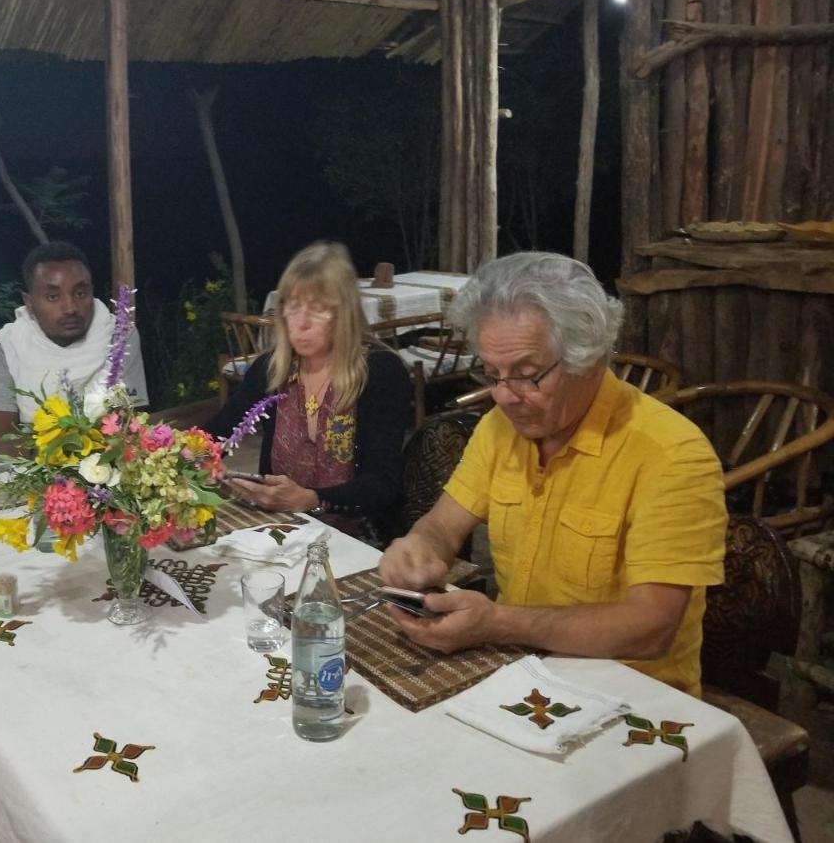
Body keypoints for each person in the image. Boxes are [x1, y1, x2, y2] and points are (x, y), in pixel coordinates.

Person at [379, 251, 726, 695]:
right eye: (491, 373)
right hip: (520, 671)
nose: (504, 395)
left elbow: (651, 627)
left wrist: (499, 623)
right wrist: (421, 546)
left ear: (589, 358)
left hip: (632, 695)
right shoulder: (500, 428)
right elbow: (444, 524)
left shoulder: (672, 455)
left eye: (526, 375)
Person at [206, 241, 410, 539]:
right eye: (293, 306)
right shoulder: (272, 369)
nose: (301, 323)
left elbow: (382, 483)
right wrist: (183, 453)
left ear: (344, 314)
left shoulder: (379, 372)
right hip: (280, 527)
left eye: (318, 310)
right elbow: (218, 434)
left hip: (359, 535)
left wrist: (312, 500)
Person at [0, 241, 148, 468]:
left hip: (107, 476)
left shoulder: (119, 336)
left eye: (80, 293)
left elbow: (126, 433)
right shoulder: (5, 347)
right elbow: (4, 447)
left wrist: (22, 449)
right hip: (30, 484)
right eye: (53, 297)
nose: (70, 308)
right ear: (29, 303)